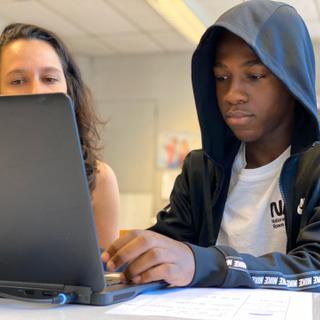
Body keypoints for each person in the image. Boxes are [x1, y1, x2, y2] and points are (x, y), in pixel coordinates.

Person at [103, 0, 320, 291]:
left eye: (254, 76)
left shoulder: (315, 169)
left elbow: (315, 268)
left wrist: (208, 264)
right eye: (221, 78)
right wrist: (134, 255)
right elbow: (172, 246)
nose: (232, 94)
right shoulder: (200, 170)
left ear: (291, 81)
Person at [0, 23, 120, 249]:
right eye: (17, 81)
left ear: (68, 89)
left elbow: (108, 275)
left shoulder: (98, 178)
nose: (36, 92)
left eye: (49, 79)